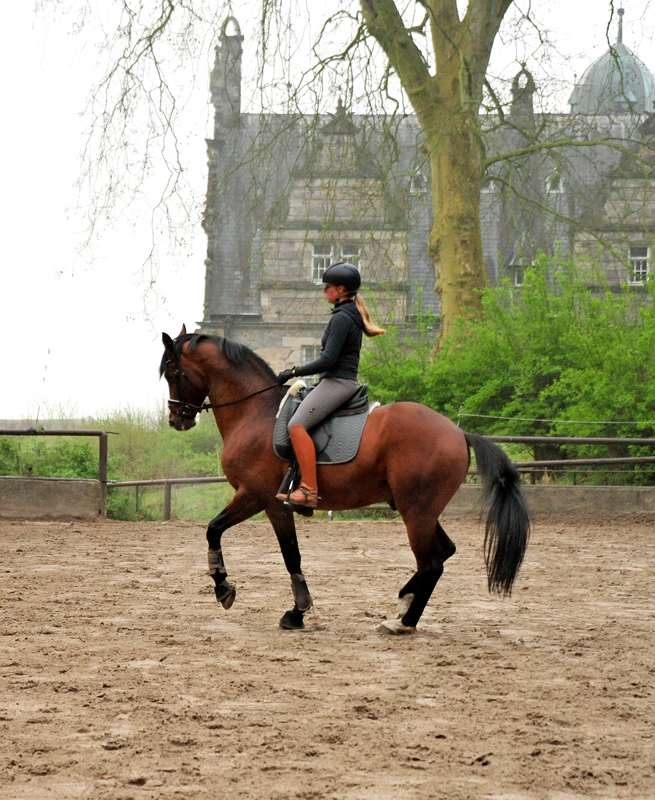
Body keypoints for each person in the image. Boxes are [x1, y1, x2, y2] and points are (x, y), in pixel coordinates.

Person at [275, 262, 385, 508]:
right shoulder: (347, 314)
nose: (324, 291)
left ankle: (309, 491)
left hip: (337, 383)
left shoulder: (342, 318)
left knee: (297, 425)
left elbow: (327, 360)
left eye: (328, 287)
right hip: (337, 381)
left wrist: (293, 371)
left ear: (341, 289)